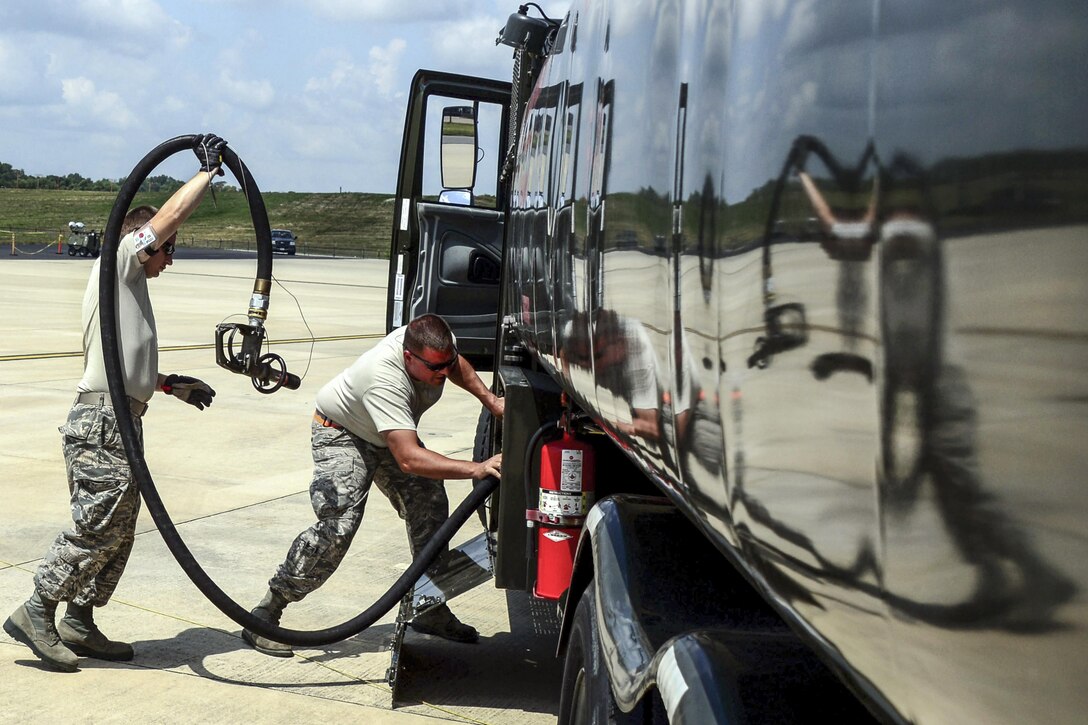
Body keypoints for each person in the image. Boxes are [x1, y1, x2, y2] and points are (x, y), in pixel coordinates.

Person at [3, 134, 227, 673]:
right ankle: (37, 609)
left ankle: (79, 619)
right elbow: (168, 214)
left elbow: (122, 360)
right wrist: (208, 171)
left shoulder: (127, 287)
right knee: (99, 522)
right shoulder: (123, 258)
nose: (170, 259)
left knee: (121, 525)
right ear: (146, 243)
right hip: (102, 420)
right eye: (169, 249)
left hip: (123, 416)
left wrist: (169, 383)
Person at [242, 314, 503, 657]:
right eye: (434, 368)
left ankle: (429, 608)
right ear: (409, 357)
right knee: (339, 526)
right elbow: (409, 458)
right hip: (342, 432)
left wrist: (491, 399)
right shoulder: (383, 378)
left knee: (430, 506)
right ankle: (265, 612)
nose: (443, 374)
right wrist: (477, 469)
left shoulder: (435, 345)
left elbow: (456, 365)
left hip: (386, 434)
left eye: (447, 363)